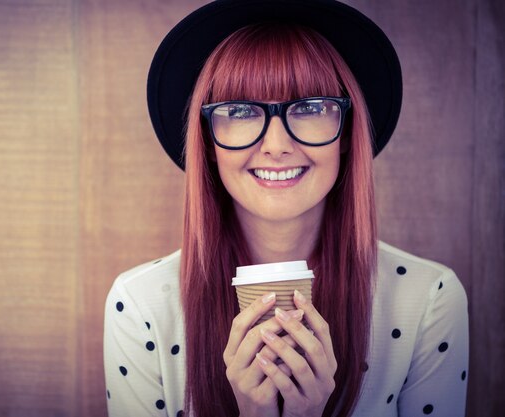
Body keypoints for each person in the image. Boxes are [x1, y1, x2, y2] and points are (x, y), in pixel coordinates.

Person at [103, 1, 469, 416]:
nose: (276, 145)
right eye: (240, 110)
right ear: (207, 140)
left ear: (346, 133)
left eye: (310, 108)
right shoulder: (140, 306)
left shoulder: (428, 301)